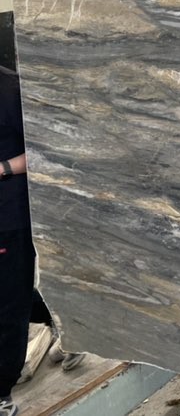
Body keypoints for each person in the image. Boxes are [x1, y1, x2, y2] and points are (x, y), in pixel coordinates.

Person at [0, 66, 33, 416]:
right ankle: (59, 317)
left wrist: (2, 168)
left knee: (9, 305)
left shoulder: (11, 89)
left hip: (8, 219)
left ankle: (2, 393)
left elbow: (42, 150)